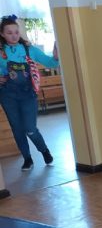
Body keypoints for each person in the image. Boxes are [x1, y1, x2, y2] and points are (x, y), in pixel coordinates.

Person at [0, 14, 59, 170]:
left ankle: (44, 150)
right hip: (7, 95)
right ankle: (27, 159)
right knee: (17, 129)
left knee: (30, 129)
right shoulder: (0, 52)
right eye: (9, 33)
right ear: (2, 34)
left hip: (28, 95)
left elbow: (50, 63)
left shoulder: (29, 49)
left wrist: (55, 57)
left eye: (16, 32)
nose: (14, 36)